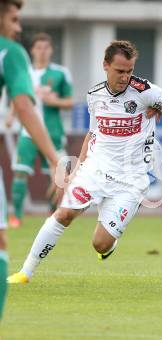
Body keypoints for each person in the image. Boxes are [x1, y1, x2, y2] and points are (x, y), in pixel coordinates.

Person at [7, 40, 162, 284]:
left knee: (100, 245)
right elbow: (92, 134)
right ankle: (25, 271)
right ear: (106, 65)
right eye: (120, 71)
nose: (125, 77)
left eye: (129, 71)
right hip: (96, 170)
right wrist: (78, 168)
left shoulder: (146, 91)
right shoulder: (95, 95)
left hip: (131, 179)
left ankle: (109, 240)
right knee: (64, 214)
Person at [0, 0, 59, 318]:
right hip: (34, 134)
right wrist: (54, 159)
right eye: (14, 18)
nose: (18, 27)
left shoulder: (57, 73)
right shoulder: (9, 51)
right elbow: (24, 105)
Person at [7, 32, 73, 228]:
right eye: (38, 48)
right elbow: (18, 97)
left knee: (54, 175)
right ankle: (17, 217)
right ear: (32, 50)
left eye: (46, 48)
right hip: (27, 133)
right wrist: (11, 115)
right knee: (20, 173)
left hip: (53, 133)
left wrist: (54, 101)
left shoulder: (61, 73)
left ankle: (53, 216)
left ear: (51, 50)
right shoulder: (24, 71)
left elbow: (70, 101)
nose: (42, 51)